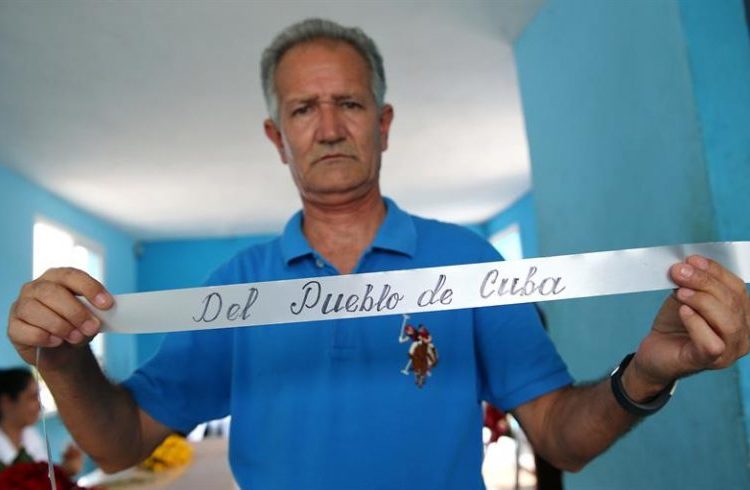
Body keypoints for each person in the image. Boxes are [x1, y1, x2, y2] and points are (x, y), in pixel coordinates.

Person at [6, 18, 750, 489]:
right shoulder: (233, 287)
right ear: (277, 137)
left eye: (350, 104)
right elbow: (115, 444)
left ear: (384, 122)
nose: (328, 127)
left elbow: (561, 437)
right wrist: (64, 360)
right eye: (303, 108)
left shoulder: (468, 262)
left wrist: (648, 372)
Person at [0, 367, 82, 476]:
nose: (39, 405)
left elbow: (38, 480)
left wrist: (65, 470)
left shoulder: (31, 436)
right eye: (32, 398)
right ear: (6, 402)